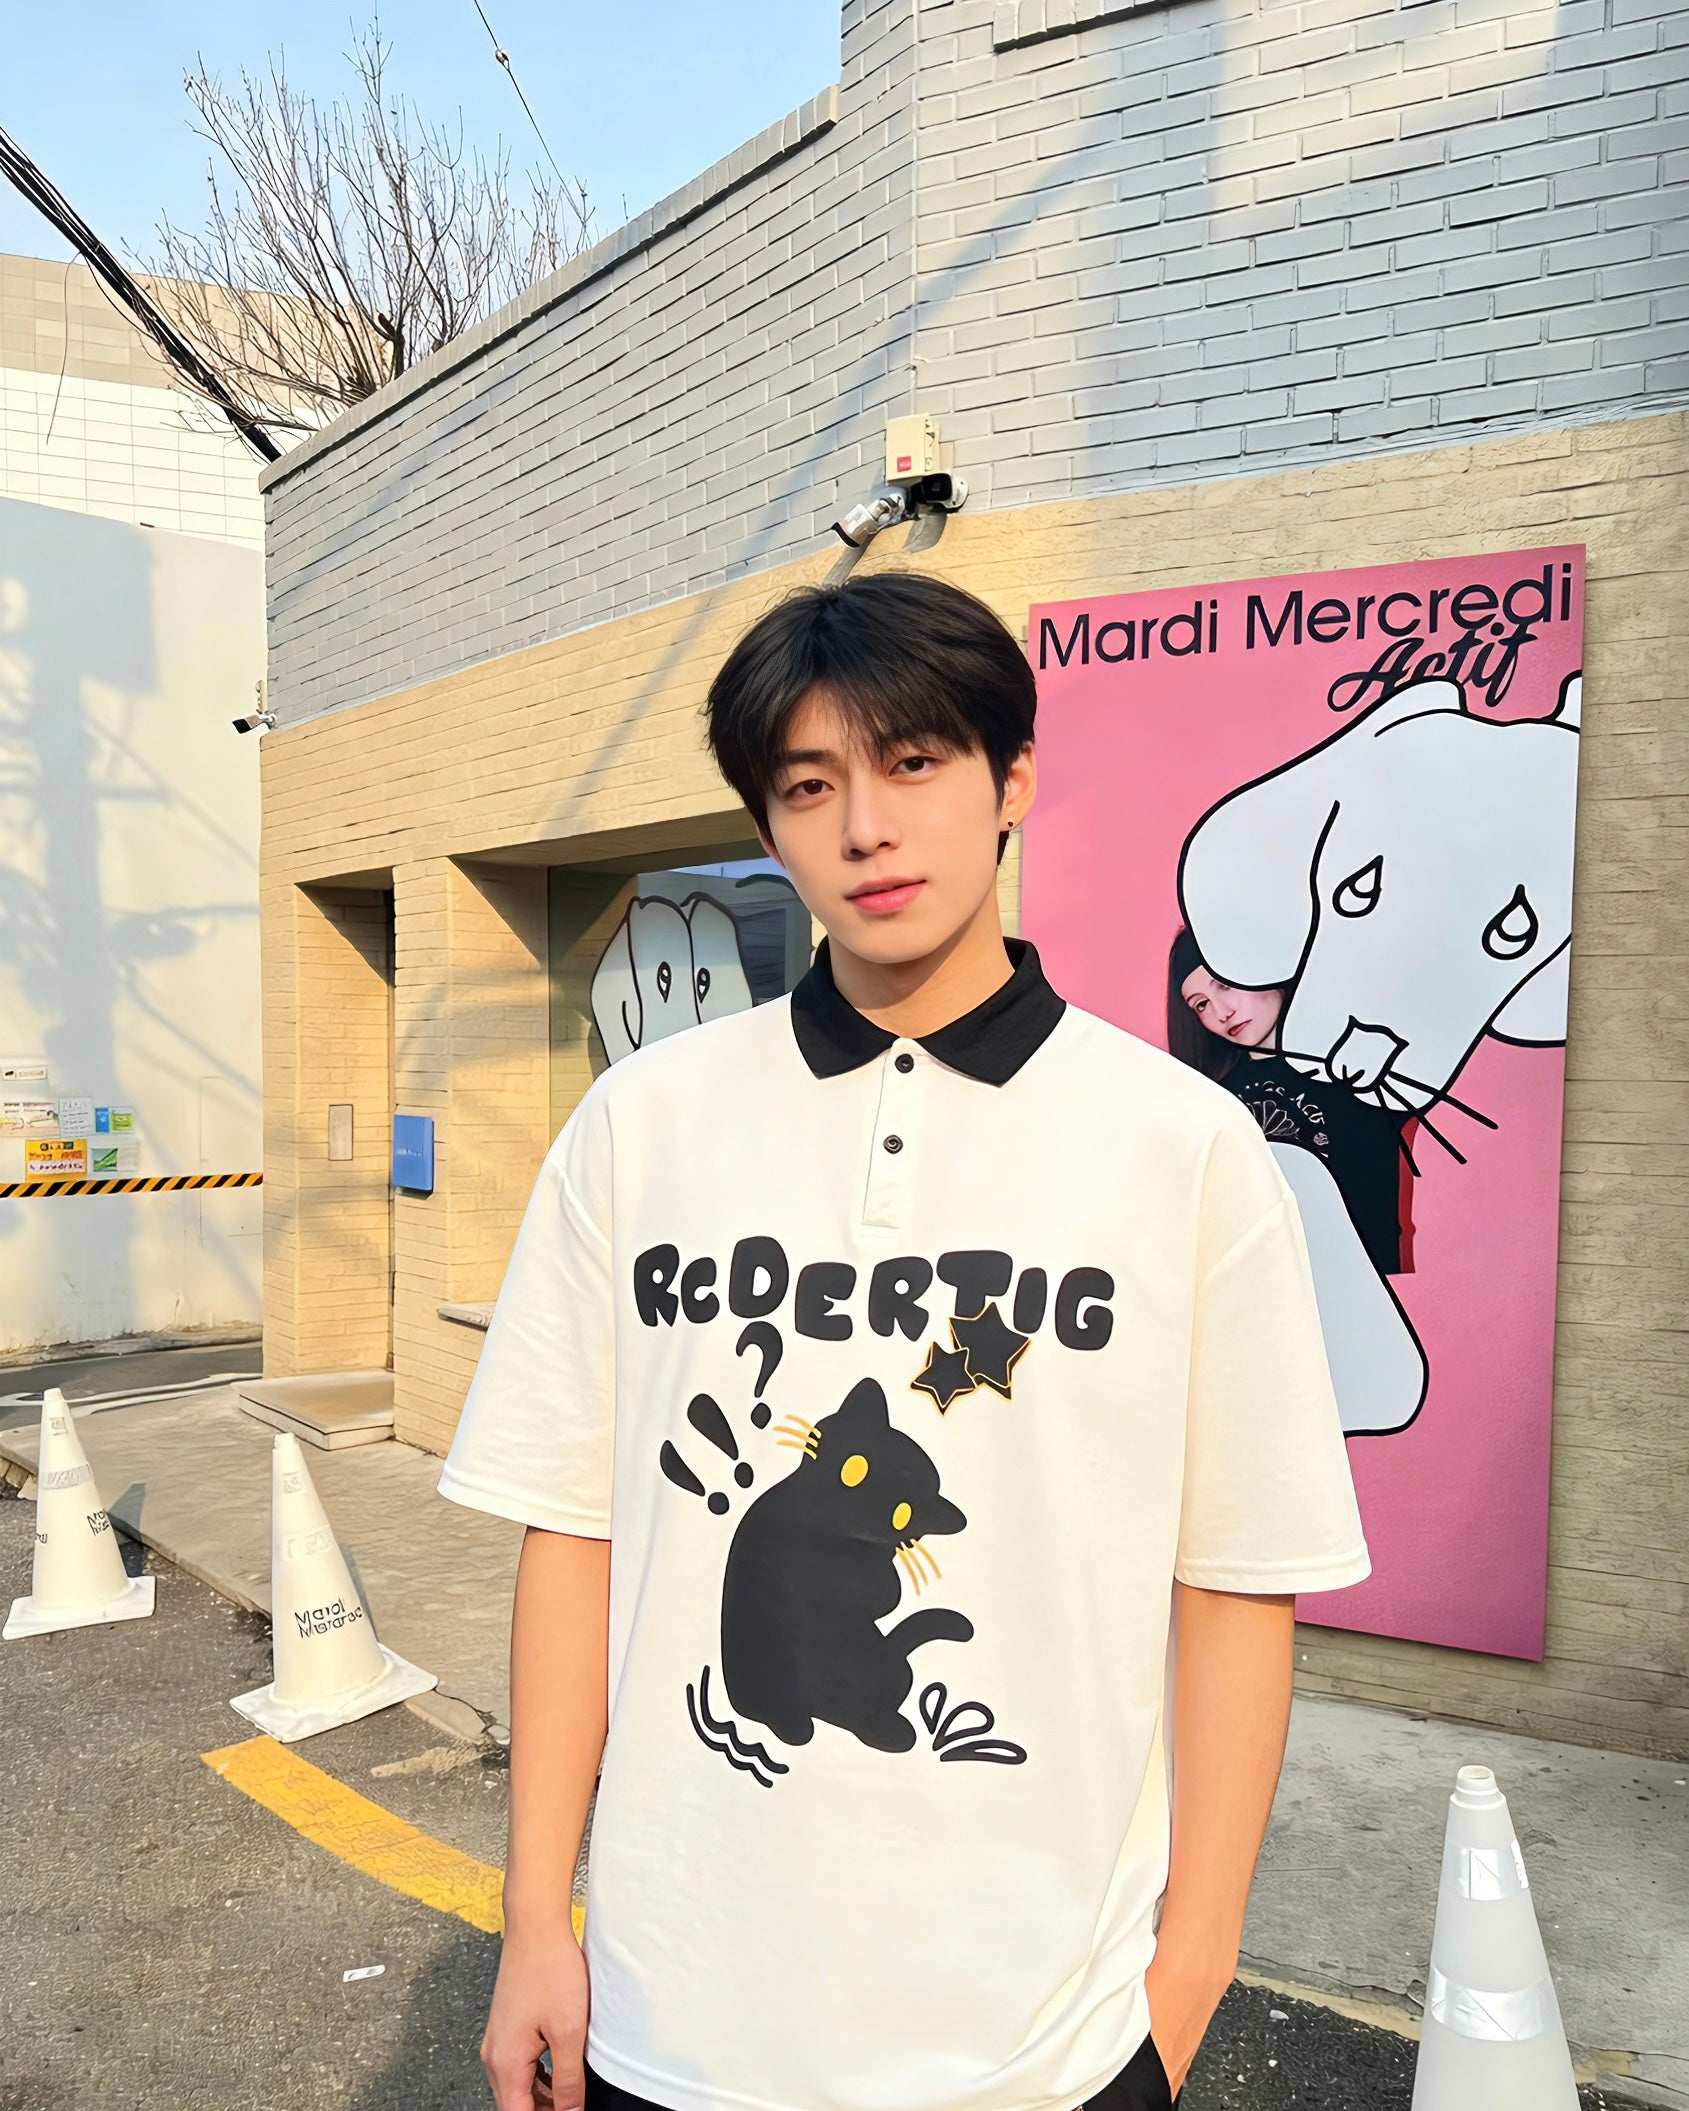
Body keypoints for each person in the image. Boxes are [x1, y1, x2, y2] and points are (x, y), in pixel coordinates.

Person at [442, 572, 1370, 2111]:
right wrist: (537, 1915)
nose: (866, 827)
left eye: (915, 761)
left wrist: (1184, 1982)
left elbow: (1235, 1582)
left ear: (1013, 778)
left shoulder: (1182, 1146)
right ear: (768, 825)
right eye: (810, 786)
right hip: (677, 2018)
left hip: (1047, 2044)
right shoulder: (641, 1124)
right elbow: (576, 1533)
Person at [1168, 928, 1412, 1278]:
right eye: (1201, 1004)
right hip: (1263, 1292)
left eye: (1225, 984)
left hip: (1367, 1288)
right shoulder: (1214, 1102)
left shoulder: (1359, 1066)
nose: (1222, 1011)